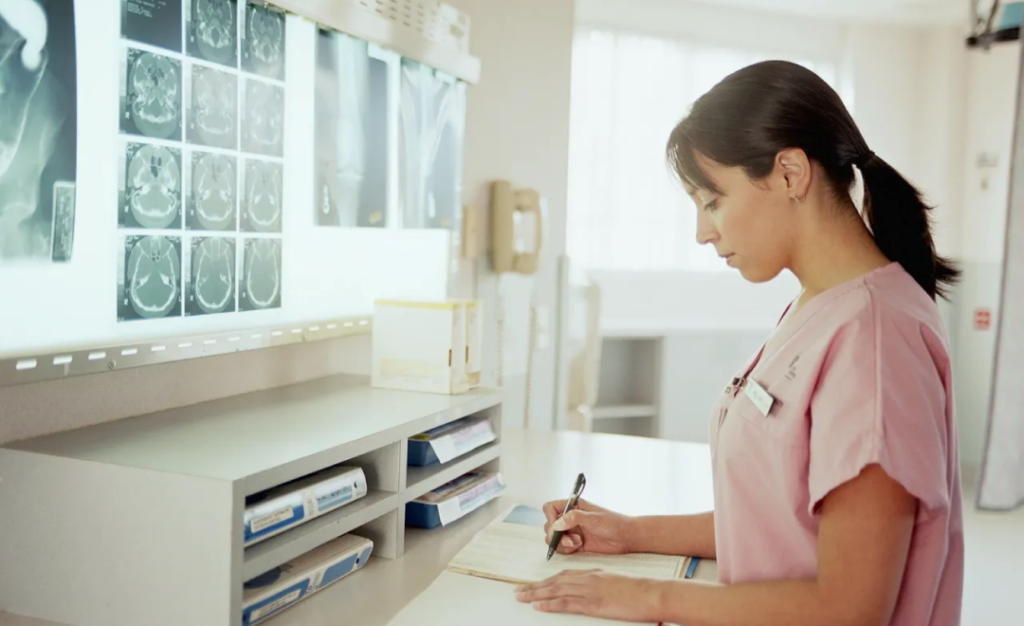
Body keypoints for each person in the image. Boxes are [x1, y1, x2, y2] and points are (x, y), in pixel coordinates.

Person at [514, 60, 965, 626]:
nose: (702, 232)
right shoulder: (817, 308)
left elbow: (850, 608)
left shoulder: (875, 342)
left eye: (712, 201)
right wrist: (628, 533)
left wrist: (647, 597)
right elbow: (780, 523)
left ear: (790, 174)